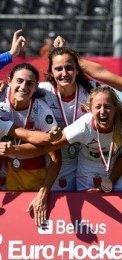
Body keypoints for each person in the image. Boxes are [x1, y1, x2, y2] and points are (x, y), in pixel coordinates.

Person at [2, 86, 122, 192]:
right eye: (98, 107)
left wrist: (111, 181)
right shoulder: (83, 126)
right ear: (90, 109)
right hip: (88, 171)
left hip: (120, 171)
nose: (103, 111)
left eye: (108, 107)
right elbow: (44, 148)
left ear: (115, 108)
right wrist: (13, 150)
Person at [0, 63, 61, 226]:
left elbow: (56, 156)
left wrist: (44, 192)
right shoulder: (0, 97)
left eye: (29, 83)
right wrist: (10, 54)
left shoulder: (41, 110)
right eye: (19, 81)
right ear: (9, 81)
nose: (23, 87)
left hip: (28, 170)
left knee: (23, 224)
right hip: (3, 166)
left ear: (36, 87)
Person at [39, 46, 97, 191]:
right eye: (58, 69)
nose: (64, 73)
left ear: (77, 70)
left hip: (89, 157)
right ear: (51, 72)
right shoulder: (41, 91)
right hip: (59, 158)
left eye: (69, 67)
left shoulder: (93, 91)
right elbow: (16, 90)